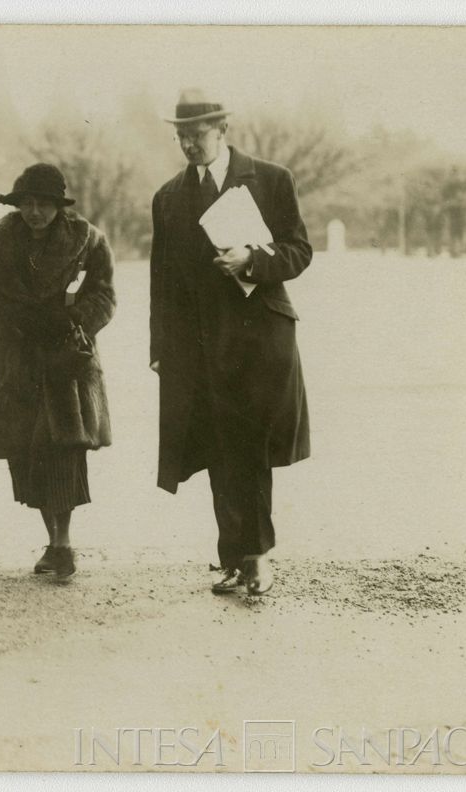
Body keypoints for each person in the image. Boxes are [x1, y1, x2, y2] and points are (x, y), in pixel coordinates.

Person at [149, 90, 313, 595]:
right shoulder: (168, 196)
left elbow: (299, 251)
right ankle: (232, 558)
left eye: (196, 134)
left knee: (252, 449)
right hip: (199, 345)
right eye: (180, 135)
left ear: (223, 129)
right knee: (217, 449)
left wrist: (252, 260)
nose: (188, 144)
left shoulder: (270, 179)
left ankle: (258, 557)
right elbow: (161, 280)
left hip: (259, 339)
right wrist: (160, 348)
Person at [0, 164, 115, 578]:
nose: (34, 212)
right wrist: (12, 321)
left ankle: (64, 543)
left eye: (44, 204)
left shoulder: (87, 241)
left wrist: (74, 322)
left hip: (65, 360)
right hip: (17, 360)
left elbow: (104, 295)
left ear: (58, 206)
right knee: (26, 453)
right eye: (27, 204)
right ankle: (53, 542)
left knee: (64, 450)